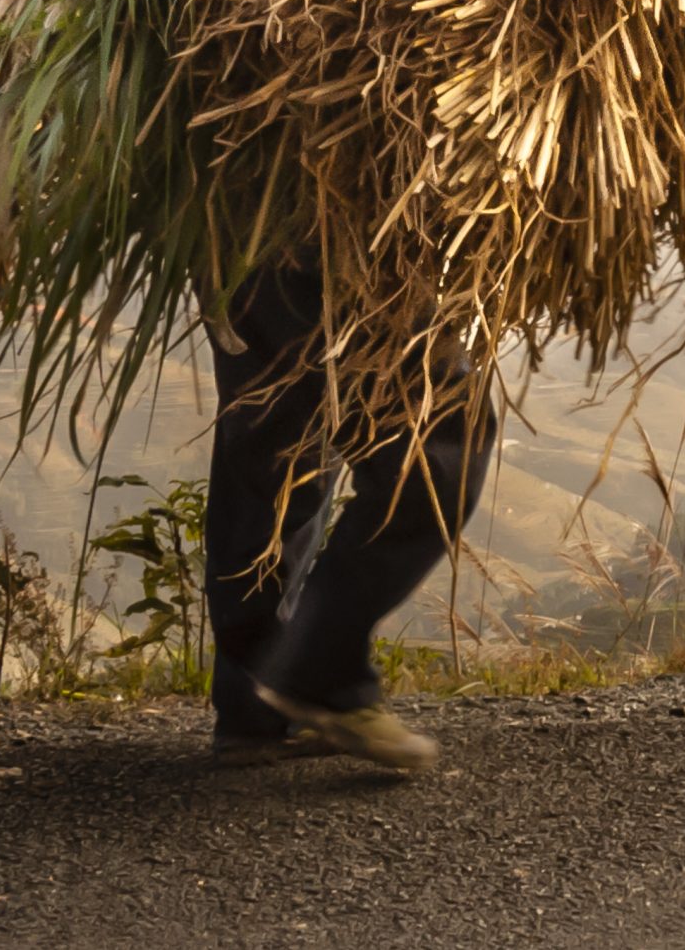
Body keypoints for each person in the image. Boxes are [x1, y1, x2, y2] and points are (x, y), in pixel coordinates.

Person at [199, 253, 495, 772]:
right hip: (333, 234)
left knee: (279, 443)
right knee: (443, 426)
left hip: (234, 228)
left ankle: (260, 706)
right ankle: (315, 672)